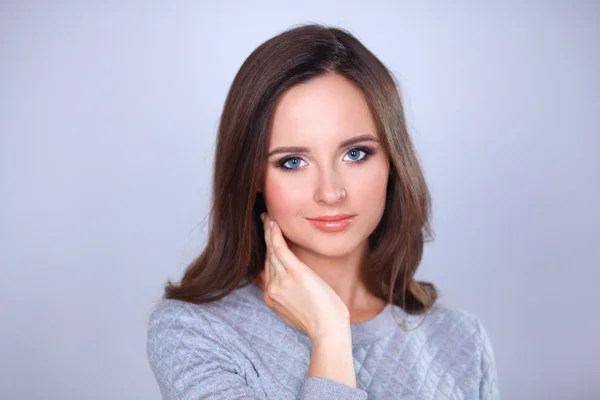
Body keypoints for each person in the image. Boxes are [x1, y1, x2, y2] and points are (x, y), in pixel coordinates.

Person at [146, 23, 500, 399]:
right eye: (294, 162)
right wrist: (330, 335)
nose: (331, 192)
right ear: (253, 177)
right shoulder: (195, 332)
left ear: (393, 162)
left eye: (355, 154)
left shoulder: (460, 341)